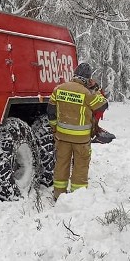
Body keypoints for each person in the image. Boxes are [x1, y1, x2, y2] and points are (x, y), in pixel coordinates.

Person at [47, 63, 108, 199]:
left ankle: (59, 195)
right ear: (87, 78)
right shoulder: (86, 93)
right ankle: (77, 197)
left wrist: (54, 127)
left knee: (61, 165)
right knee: (80, 167)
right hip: (81, 139)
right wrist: (96, 89)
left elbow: (51, 112)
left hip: (62, 137)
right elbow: (102, 105)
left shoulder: (59, 89)